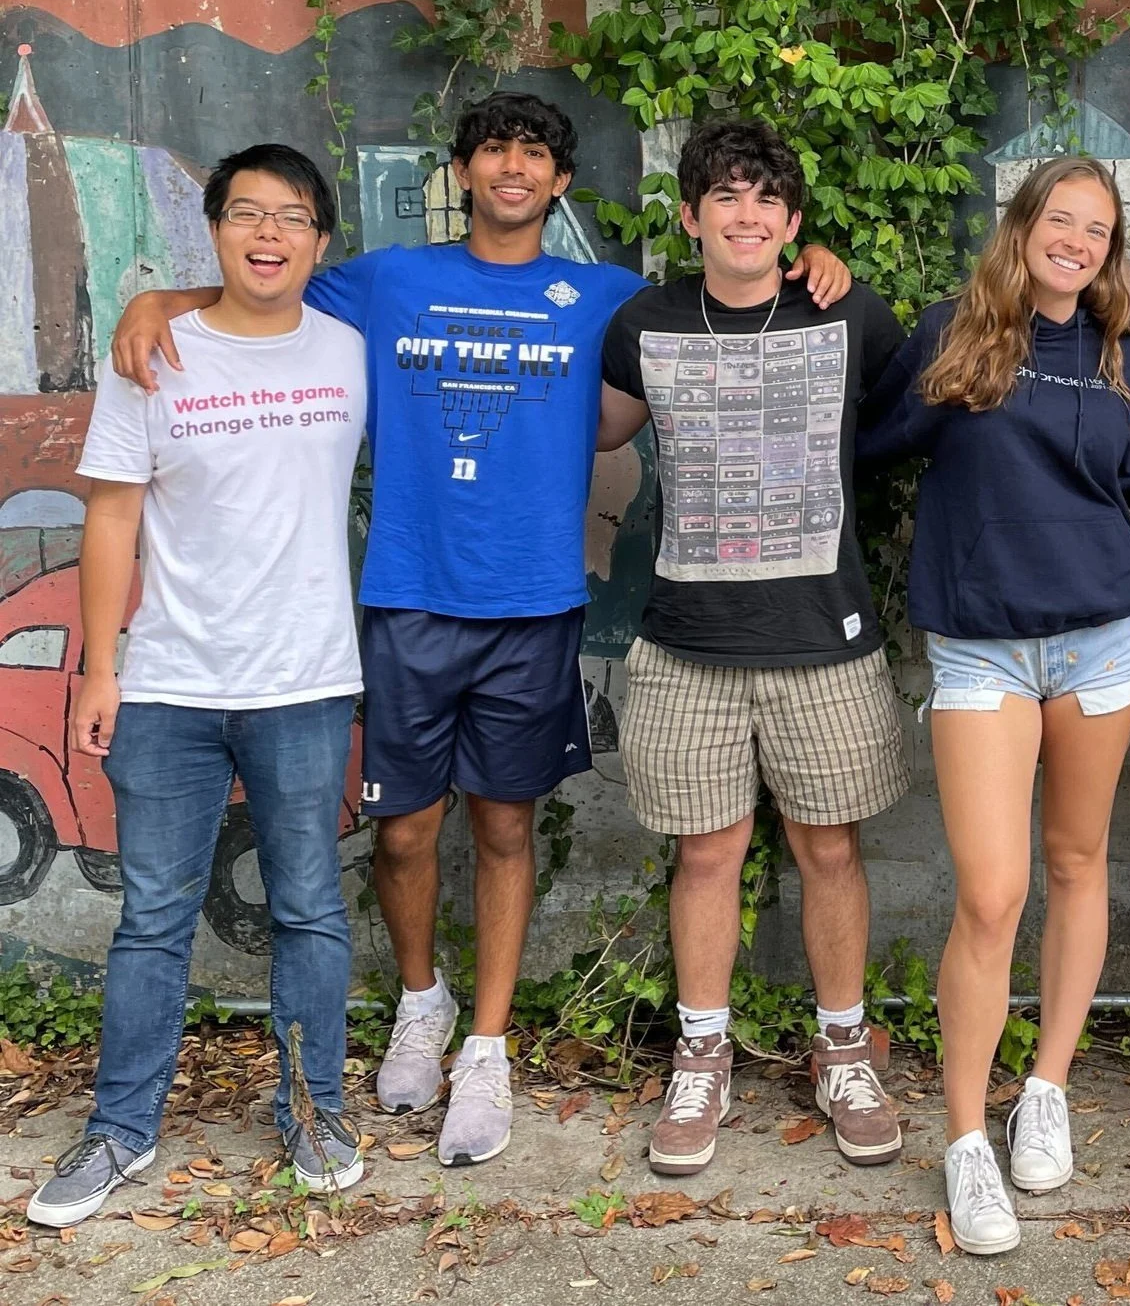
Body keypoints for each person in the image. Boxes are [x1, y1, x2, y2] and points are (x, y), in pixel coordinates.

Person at [108, 93, 850, 1167]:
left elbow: (728, 302)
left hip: (535, 603)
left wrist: (812, 255)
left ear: (559, 182)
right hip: (410, 597)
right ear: (461, 170)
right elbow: (261, 289)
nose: (515, 166)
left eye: (537, 153)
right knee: (406, 832)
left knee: (504, 829)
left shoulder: (608, 298)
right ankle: (423, 1001)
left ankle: (489, 1050)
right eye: (496, 148)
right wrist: (158, 304)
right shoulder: (390, 280)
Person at [29, 146, 369, 1225]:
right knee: (152, 919)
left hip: (306, 681)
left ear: (320, 241)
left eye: (293, 218)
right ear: (215, 229)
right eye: (247, 215)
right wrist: (99, 667)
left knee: (310, 908)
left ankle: (312, 1110)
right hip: (169, 683)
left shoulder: (352, 349)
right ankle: (121, 1129)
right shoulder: (157, 354)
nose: (269, 235)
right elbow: (113, 515)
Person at [859, 157, 1130, 1254]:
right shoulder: (956, 330)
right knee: (992, 897)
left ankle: (1045, 1086)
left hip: (1100, 643)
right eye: (1061, 220)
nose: (1077, 242)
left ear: (1111, 247)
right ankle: (962, 1139)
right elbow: (869, 444)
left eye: (1099, 229)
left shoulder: (1121, 348)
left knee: (1080, 863)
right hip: (982, 650)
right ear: (1024, 222)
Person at [599, 119, 908, 1178]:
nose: (746, 216)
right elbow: (593, 433)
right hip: (687, 643)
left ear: (794, 222)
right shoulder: (641, 322)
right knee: (707, 854)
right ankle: (702, 1056)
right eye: (725, 198)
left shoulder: (848, 309)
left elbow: (915, 417)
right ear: (689, 217)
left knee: (830, 850)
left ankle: (842, 1049)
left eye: (767, 200)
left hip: (824, 638)